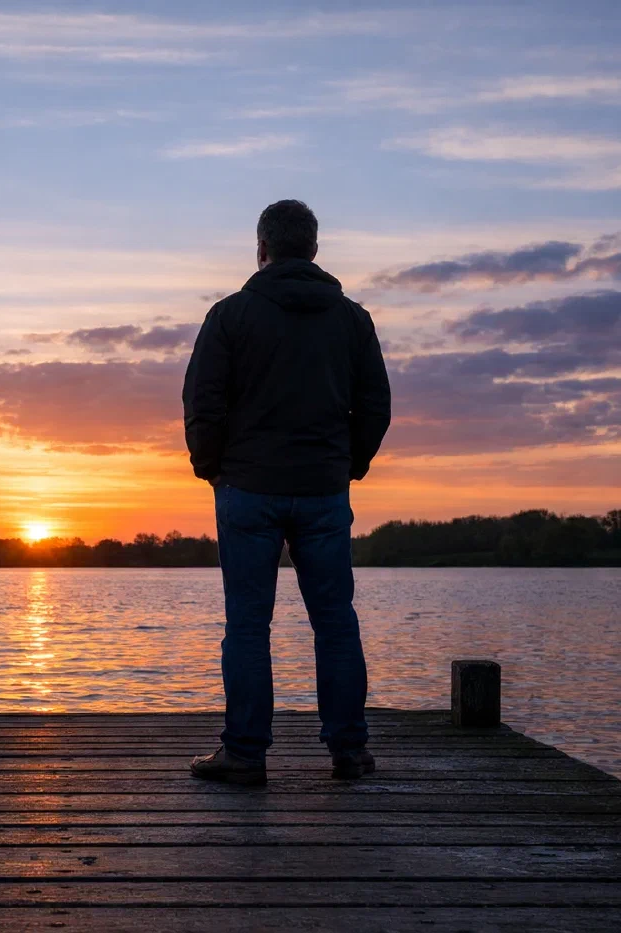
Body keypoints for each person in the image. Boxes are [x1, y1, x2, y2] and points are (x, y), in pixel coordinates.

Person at [183, 199, 392, 785]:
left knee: (248, 624)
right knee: (335, 619)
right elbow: (375, 404)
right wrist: (348, 465)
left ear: (261, 248)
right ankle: (350, 751)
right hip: (322, 489)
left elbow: (202, 402)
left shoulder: (230, 316)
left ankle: (245, 753)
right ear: (316, 250)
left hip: (248, 488)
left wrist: (214, 468)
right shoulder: (352, 319)